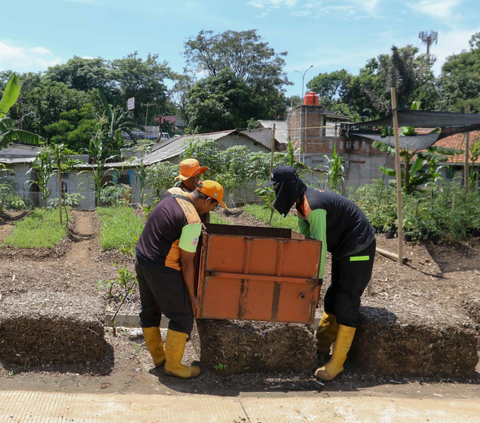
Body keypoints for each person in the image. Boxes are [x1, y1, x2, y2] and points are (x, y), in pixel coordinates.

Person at [263, 165, 375, 381]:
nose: (274, 191)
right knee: (333, 297)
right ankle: (321, 349)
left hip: (359, 245)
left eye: (276, 186)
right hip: (344, 249)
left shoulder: (312, 206)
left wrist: (316, 281)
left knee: (346, 299)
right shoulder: (301, 205)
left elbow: (319, 247)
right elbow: (307, 245)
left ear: (286, 187)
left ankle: (337, 363)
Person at [135, 180, 227, 378]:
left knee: (150, 310)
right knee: (183, 314)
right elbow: (186, 263)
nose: (213, 209)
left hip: (142, 257)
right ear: (208, 200)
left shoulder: (173, 192)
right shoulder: (192, 221)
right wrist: (192, 296)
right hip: (161, 266)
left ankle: (160, 358)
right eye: (215, 205)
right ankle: (173, 365)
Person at [174, 158, 210, 223]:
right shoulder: (178, 196)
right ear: (183, 179)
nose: (196, 181)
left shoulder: (201, 190)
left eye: (198, 177)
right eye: (192, 179)